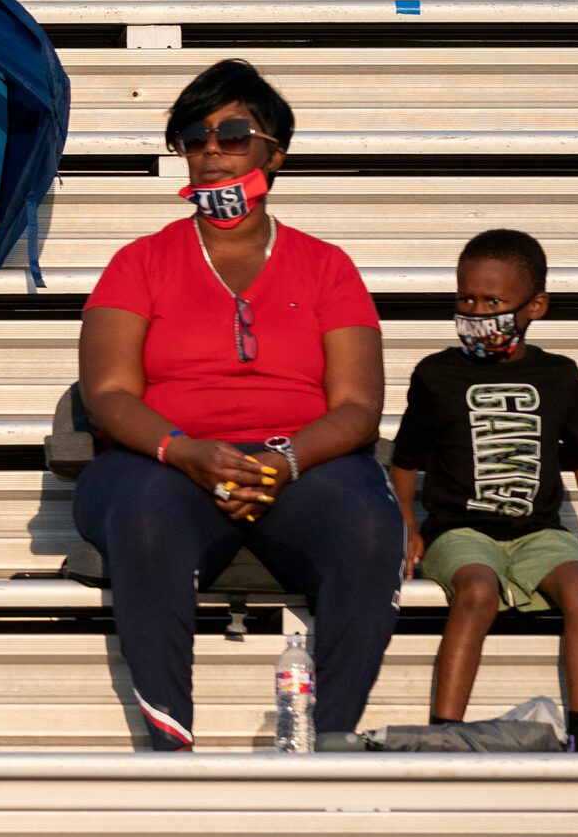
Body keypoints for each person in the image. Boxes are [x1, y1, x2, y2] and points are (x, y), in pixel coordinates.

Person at [74, 59, 402, 750]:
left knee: (369, 524)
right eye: (193, 137)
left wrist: (280, 461)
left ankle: (330, 739)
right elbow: (107, 393)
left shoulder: (326, 266)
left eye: (231, 133)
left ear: (273, 152)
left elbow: (355, 406)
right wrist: (186, 452)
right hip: (167, 462)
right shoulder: (138, 262)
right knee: (143, 510)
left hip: (297, 464)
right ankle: (169, 743)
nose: (211, 151)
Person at [394, 228, 578, 753]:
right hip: (459, 531)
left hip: (536, 533)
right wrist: (409, 526)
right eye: (466, 299)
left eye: (494, 301)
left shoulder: (559, 375)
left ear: (536, 305)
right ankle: (444, 734)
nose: (477, 313)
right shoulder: (436, 374)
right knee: (476, 589)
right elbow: (404, 461)